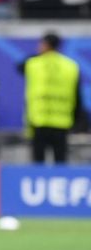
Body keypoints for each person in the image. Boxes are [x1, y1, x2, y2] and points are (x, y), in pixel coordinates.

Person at [22, 33, 81, 165]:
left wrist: (39, 54)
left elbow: (19, 65)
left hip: (39, 119)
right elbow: (78, 95)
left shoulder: (33, 63)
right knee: (60, 162)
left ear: (45, 45)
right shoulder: (71, 66)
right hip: (62, 121)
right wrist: (77, 119)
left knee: (38, 163)